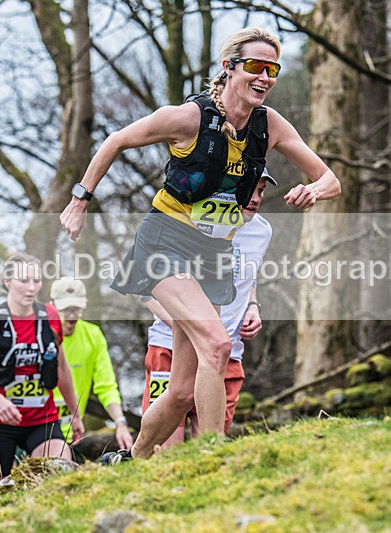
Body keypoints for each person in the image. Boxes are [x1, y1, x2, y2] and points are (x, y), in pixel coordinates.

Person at [60, 27, 340, 462]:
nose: (265, 77)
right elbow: (116, 141)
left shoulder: (271, 126)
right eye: (255, 67)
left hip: (213, 255)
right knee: (218, 344)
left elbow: (330, 179)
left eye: (273, 70)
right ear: (229, 68)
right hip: (165, 242)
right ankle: (215, 460)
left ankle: (131, 459)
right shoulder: (189, 117)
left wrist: (314, 191)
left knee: (181, 392)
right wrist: (80, 201)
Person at [142, 169, 275, 448]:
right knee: (166, 452)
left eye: (261, 190)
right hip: (171, 348)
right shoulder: (191, 218)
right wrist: (191, 327)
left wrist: (252, 305)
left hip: (227, 354)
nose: (255, 198)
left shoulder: (262, 231)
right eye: (249, 188)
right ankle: (134, 457)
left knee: (209, 449)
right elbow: (147, 287)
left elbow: (246, 276)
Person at [0, 253, 84, 492]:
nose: (31, 287)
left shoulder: (51, 316)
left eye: (37, 281)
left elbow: (61, 368)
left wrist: (75, 413)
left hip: (42, 420)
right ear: (7, 281)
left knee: (60, 470)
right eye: (24, 281)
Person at [49, 277, 134, 451]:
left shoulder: (93, 335)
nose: (71, 315)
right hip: (36, 431)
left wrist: (120, 422)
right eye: (65, 309)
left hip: (73, 434)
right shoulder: (38, 333)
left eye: (76, 309)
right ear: (51, 305)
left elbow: (106, 386)